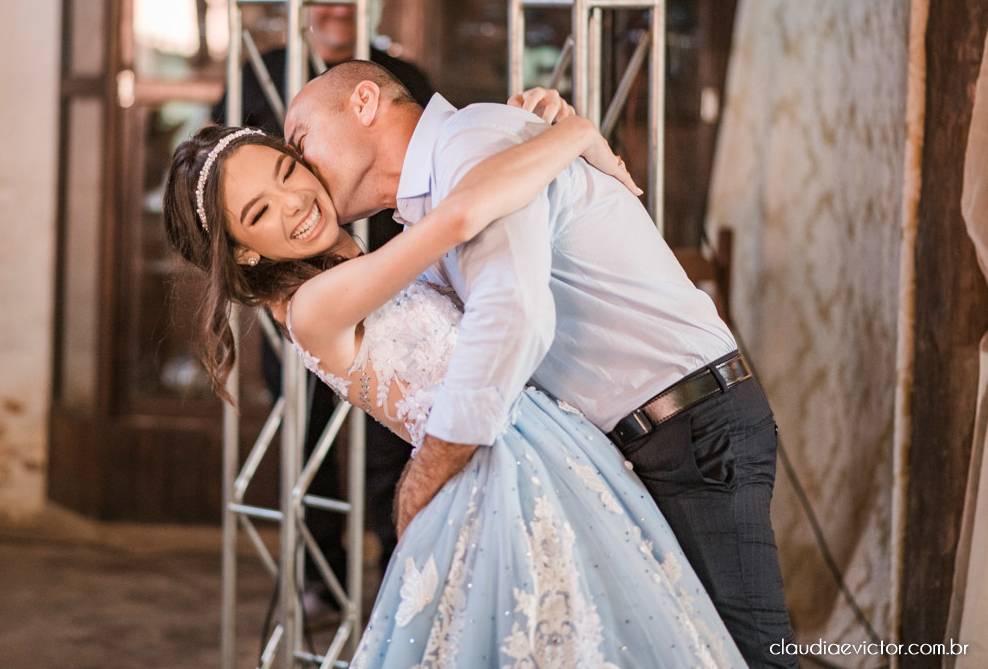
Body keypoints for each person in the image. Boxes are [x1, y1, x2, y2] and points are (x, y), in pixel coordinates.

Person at [163, 89, 746, 667]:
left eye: (289, 171)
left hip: (540, 449)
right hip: (489, 470)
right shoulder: (312, 309)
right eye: (259, 212)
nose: (293, 202)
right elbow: (462, 215)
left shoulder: (359, 268)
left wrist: (532, 130)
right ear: (242, 254)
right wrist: (573, 135)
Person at [210, 0, 435, 608]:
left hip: (395, 285)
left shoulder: (401, 75)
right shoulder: (262, 72)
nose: (336, 9)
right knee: (303, 433)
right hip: (304, 296)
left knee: (390, 447)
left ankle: (399, 570)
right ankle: (319, 574)